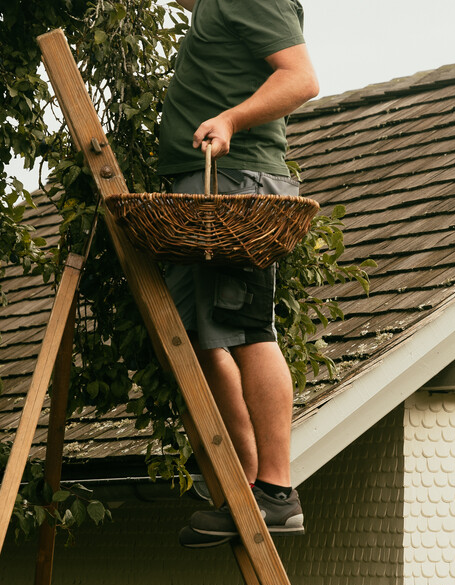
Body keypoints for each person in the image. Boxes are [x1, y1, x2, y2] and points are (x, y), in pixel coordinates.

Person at [156, 0, 319, 547]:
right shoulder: (212, 7)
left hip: (237, 184)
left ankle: (277, 490)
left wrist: (229, 119)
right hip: (203, 187)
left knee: (248, 330)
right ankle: (245, 486)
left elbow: (301, 79)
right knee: (200, 338)